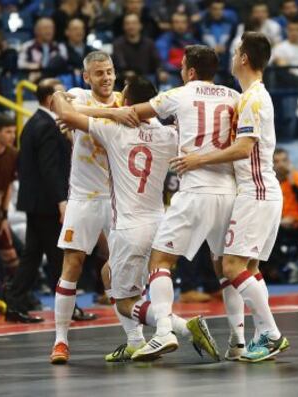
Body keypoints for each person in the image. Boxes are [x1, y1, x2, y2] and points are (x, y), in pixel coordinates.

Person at [52, 75, 219, 363]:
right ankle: (134, 341)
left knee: (125, 300)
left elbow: (65, 114)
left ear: (126, 104)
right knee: (109, 274)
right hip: (159, 223)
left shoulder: (112, 129)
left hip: (128, 227)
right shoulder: (169, 136)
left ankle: (181, 328)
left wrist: (58, 94)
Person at [98, 44, 240, 361]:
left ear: (189, 71)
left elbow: (125, 114)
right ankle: (241, 339)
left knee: (154, 269)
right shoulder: (232, 97)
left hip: (170, 203)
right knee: (231, 269)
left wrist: (91, 108)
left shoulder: (167, 100)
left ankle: (170, 330)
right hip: (225, 192)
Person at [170, 32, 289, 363]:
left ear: (245, 59)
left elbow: (244, 147)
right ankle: (250, 337)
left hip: (256, 190)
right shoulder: (247, 95)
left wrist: (198, 158)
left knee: (232, 265)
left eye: (237, 51)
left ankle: (271, 334)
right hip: (254, 191)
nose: (233, 56)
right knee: (245, 267)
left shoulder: (253, 98)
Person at [49, 51, 123, 364]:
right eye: (99, 73)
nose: (105, 78)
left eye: (109, 72)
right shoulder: (78, 95)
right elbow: (60, 106)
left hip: (119, 197)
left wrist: (85, 117)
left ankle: (138, 337)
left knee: (125, 265)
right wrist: (57, 95)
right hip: (84, 196)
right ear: (86, 77)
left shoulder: (125, 99)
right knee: (73, 262)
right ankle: (60, 340)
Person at [4, 79, 70, 323]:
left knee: (33, 255)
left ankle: (15, 302)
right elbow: (49, 169)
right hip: (46, 204)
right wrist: (61, 200)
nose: (68, 99)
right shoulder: (47, 126)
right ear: (51, 99)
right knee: (59, 257)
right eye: (63, 95)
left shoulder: (34, 122)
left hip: (36, 202)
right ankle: (67, 307)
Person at [0, 114, 18, 280]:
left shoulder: (13, 154)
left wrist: (5, 216)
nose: (12, 136)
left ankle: (11, 296)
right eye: (8, 132)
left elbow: (8, 186)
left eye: (14, 132)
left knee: (11, 257)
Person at [112, 13, 163, 83]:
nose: (131, 26)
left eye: (134, 23)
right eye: (128, 24)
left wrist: (161, 71)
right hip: (125, 79)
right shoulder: (118, 44)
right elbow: (120, 64)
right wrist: (126, 72)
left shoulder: (149, 43)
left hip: (147, 78)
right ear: (123, 27)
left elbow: (157, 61)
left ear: (140, 26)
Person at [156, 12, 198, 87]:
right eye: (176, 22)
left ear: (187, 24)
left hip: (189, 74)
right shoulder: (164, 40)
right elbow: (162, 61)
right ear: (171, 25)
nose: (180, 25)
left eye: (183, 22)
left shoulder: (192, 40)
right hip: (171, 74)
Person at [199, 0, 238, 73]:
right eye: (215, 9)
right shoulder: (201, 24)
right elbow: (196, 41)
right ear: (209, 9)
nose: (218, 12)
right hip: (207, 65)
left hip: (226, 65)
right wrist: (209, 49)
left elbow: (234, 39)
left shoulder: (229, 23)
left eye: (221, 9)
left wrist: (226, 47)